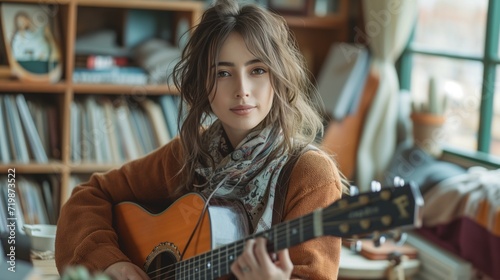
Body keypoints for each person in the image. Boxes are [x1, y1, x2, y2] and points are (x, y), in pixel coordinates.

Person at [55, 0, 348, 279]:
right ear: (201, 85)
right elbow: (89, 196)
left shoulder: (311, 176)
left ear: (278, 79)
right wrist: (110, 262)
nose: (242, 89)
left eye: (257, 70)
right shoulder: (189, 154)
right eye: (223, 73)